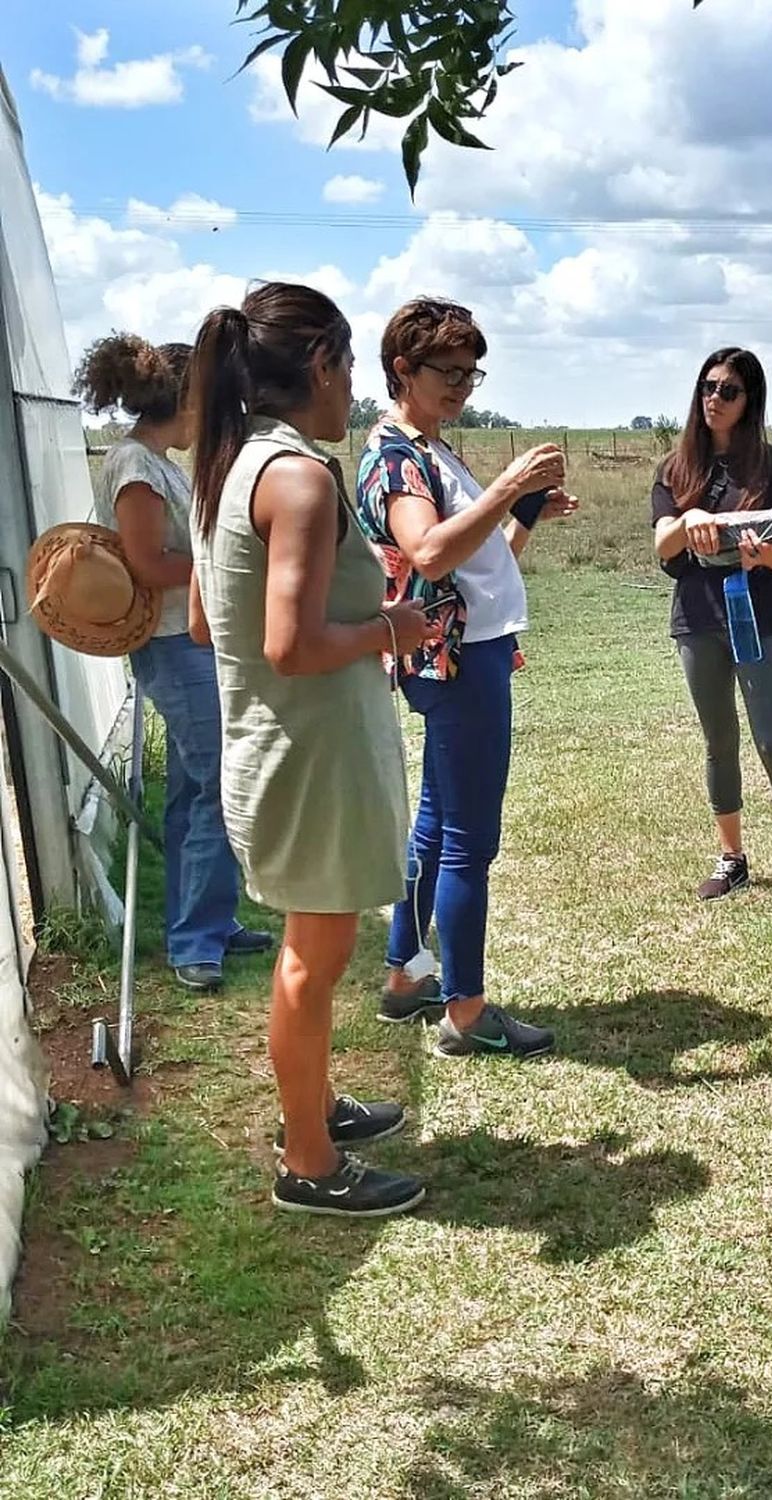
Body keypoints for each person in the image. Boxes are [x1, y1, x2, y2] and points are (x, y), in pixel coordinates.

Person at [188, 281, 437, 1218]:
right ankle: (307, 1161)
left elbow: (210, 621)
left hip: (277, 750)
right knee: (314, 957)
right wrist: (389, 626)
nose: (357, 394)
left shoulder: (235, 464)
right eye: (350, 368)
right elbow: (288, 646)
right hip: (308, 757)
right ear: (324, 365)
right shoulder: (297, 478)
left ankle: (316, 1108)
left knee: (312, 948)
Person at [355, 297, 576, 1059]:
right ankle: (467, 1010)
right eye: (447, 371)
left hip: (461, 652)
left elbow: (485, 562)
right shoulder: (398, 458)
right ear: (402, 371)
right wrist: (508, 485)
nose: (460, 385)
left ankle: (406, 977)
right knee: (467, 843)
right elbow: (429, 553)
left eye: (470, 372)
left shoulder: (433, 451)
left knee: (437, 825)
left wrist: (525, 511)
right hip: (456, 663)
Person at [74, 333, 272, 991]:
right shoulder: (137, 468)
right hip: (168, 645)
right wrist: (223, 566)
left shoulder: (151, 461)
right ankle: (195, 943)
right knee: (216, 785)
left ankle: (209, 923)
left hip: (184, 642)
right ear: (185, 399)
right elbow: (146, 565)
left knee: (195, 790)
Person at [651, 347, 772, 925]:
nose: (714, 399)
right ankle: (732, 857)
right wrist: (687, 522)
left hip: (762, 617)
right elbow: (662, 547)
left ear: (750, 399)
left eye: (728, 390)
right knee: (718, 740)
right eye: (708, 387)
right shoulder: (674, 469)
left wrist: (761, 558)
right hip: (700, 619)